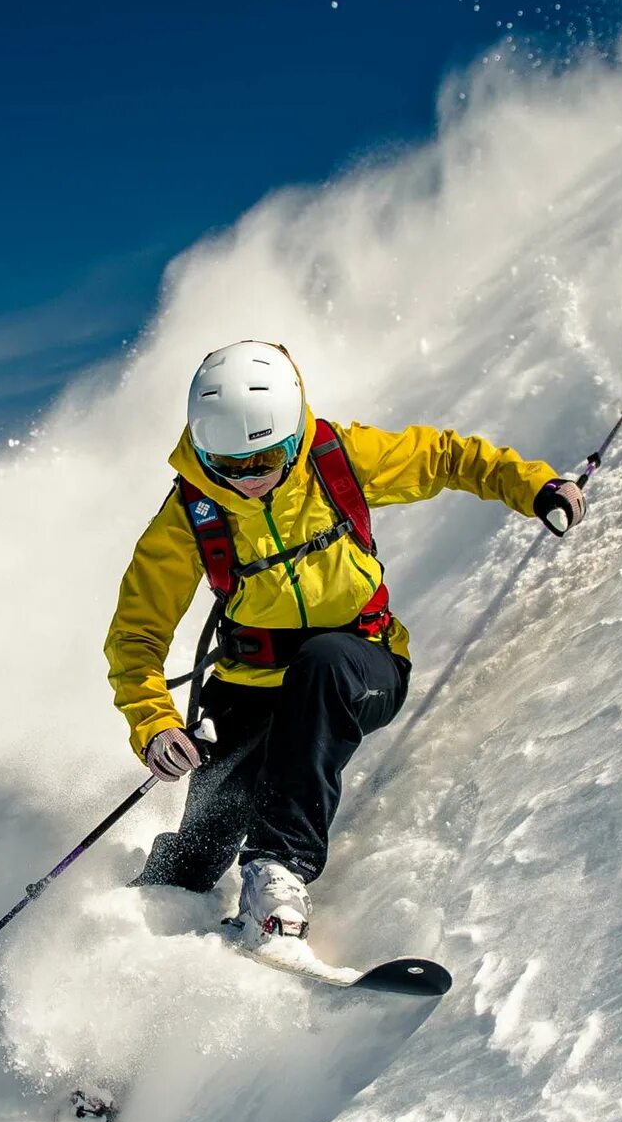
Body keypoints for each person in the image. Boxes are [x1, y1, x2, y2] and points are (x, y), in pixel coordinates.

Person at [104, 340, 585, 949]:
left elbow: (446, 458)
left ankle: (278, 875)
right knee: (203, 840)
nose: (250, 481)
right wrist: (154, 724)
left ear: (294, 435)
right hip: (249, 688)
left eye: (266, 459)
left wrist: (536, 487)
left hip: (364, 665)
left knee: (322, 665)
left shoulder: (339, 459)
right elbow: (134, 635)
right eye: (230, 465)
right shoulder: (189, 515)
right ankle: (140, 925)